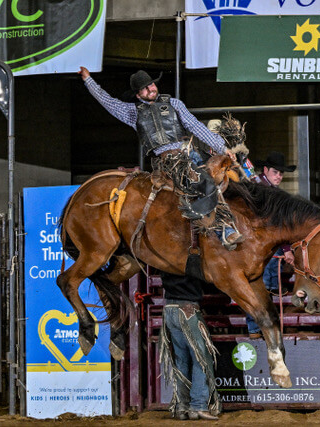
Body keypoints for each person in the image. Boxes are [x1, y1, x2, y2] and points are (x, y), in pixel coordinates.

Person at [78, 67, 243, 250]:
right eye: (145, 88)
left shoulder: (174, 104)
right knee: (202, 184)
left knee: (226, 178)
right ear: (138, 95)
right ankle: (225, 231)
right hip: (169, 162)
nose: (151, 89)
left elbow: (195, 126)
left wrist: (223, 147)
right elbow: (107, 101)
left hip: (190, 153)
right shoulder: (133, 112)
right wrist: (88, 80)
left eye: (151, 84)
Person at [245, 152, 296, 338]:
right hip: (255, 248)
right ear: (266, 170)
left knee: (262, 286)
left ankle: (257, 328)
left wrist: (287, 249)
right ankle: (256, 328)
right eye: (275, 172)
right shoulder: (258, 188)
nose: (279, 176)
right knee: (260, 287)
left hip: (260, 247)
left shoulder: (261, 187)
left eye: (281, 173)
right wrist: (287, 250)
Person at [158, 272, 220, 421]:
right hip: (188, 310)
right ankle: (198, 406)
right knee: (201, 358)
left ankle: (181, 407)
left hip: (170, 309)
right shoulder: (190, 259)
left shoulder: (166, 257)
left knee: (181, 360)